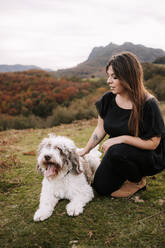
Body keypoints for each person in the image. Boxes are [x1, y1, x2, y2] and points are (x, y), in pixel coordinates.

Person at [78, 51, 165, 198]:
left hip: (148, 155)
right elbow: (101, 128)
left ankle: (137, 181)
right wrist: (85, 150)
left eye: (114, 77)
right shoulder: (108, 99)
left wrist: (121, 138)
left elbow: (153, 143)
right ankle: (125, 170)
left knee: (116, 151)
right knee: (101, 187)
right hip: (117, 153)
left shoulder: (149, 104)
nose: (109, 81)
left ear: (128, 77)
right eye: (108, 76)